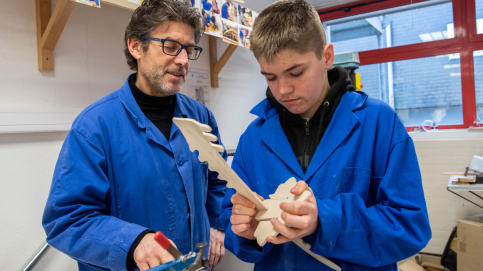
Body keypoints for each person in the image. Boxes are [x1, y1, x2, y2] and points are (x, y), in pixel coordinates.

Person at [220, 0, 432, 270]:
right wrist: (247, 233)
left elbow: (410, 228)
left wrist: (324, 220)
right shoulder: (253, 137)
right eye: (270, 77)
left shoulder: (379, 122)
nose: (283, 90)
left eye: (295, 72)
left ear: (327, 56)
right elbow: (230, 221)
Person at [42, 1, 226, 270]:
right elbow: (67, 220)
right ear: (136, 46)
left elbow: (217, 181)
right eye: (171, 47)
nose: (184, 61)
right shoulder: (94, 126)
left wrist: (217, 224)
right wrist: (133, 242)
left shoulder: (201, 117)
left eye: (189, 50)